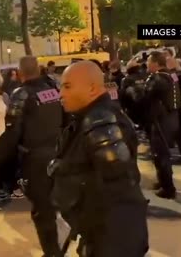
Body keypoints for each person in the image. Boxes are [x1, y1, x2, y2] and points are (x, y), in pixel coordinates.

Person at [49, 60, 149, 257]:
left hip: (112, 236)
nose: (61, 93)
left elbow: (117, 186)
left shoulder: (100, 121)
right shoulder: (86, 118)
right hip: (97, 230)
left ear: (92, 88)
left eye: (68, 86)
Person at [0, 56, 64, 256]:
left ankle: (53, 253)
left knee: (43, 211)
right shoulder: (54, 89)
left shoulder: (21, 94)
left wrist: (0, 164)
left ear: (20, 73)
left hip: (36, 160)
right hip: (60, 153)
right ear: (40, 70)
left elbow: (12, 133)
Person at [144, 51, 181, 199]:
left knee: (161, 155)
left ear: (155, 63)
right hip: (171, 118)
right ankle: (163, 182)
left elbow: (145, 95)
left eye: (148, 62)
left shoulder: (158, 78)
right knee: (161, 153)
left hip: (161, 120)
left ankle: (168, 188)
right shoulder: (171, 76)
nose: (146, 64)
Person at [119, 58, 148, 130]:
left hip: (132, 108)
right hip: (146, 107)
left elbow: (123, 95)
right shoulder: (146, 76)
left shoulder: (126, 79)